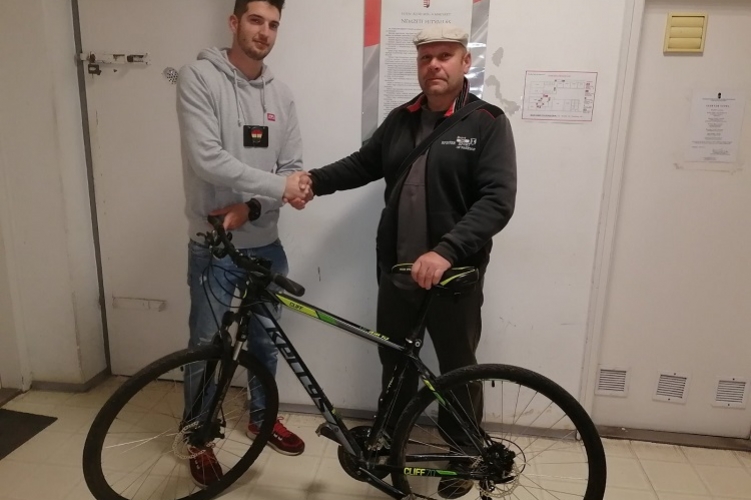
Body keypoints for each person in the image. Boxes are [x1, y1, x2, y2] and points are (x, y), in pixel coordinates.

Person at [296, 24, 517, 498]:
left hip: (454, 275)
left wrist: (445, 251)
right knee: (396, 364)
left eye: (444, 56)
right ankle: (390, 444)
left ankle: (466, 456)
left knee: (457, 369)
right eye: (425, 57)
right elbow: (362, 164)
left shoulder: (487, 122)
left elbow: (497, 201)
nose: (434, 65)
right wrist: (313, 181)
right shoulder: (401, 119)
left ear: (465, 62)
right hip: (398, 272)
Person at [176, 0, 308, 488]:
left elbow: (290, 169)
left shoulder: (282, 94)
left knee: (266, 341)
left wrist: (251, 207)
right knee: (206, 347)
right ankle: (198, 436)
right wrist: (278, 188)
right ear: (234, 23)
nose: (265, 32)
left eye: (273, 24)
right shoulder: (198, 78)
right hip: (214, 246)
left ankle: (260, 417)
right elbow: (208, 159)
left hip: (266, 243)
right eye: (255, 20)